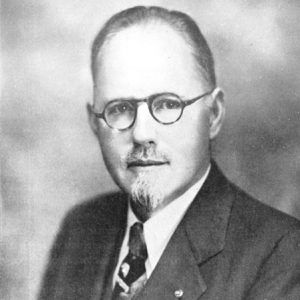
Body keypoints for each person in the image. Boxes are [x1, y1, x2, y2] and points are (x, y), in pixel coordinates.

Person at [39, 6, 300, 300]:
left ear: (213, 114)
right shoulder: (81, 229)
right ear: (94, 122)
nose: (141, 134)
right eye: (120, 109)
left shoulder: (282, 253)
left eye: (166, 105)